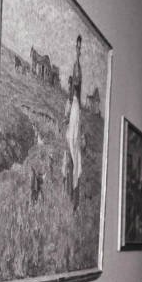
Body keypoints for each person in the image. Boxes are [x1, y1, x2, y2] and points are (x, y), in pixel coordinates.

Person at [65, 34, 83, 210]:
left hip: (74, 138)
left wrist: (77, 54)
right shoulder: (71, 103)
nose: (72, 83)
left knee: (75, 166)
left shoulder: (76, 106)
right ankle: (70, 197)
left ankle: (74, 202)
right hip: (72, 134)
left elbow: (77, 74)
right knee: (71, 166)